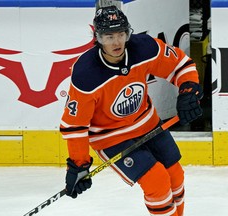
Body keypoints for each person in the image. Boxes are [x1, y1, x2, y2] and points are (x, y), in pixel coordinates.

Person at [60, 5, 203, 216]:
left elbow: (180, 65)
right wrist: (78, 165)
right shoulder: (86, 73)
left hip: (148, 124)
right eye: (109, 36)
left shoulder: (143, 47)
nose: (117, 42)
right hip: (111, 138)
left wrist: (188, 89)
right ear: (97, 38)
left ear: (128, 33)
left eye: (121, 34)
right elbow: (75, 125)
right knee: (157, 182)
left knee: (175, 176)